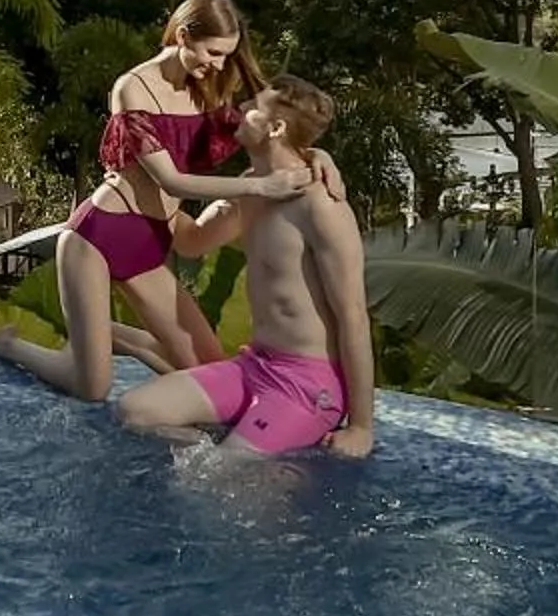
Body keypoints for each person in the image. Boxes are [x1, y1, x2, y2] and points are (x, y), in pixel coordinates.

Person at [0, 0, 313, 404]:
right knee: (92, 389)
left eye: (226, 56)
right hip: (97, 238)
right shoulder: (133, 87)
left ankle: (105, 334)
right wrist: (259, 187)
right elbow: (171, 181)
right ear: (182, 36)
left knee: (210, 369)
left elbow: (278, 126)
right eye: (212, 52)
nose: (218, 64)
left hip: (151, 238)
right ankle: (10, 346)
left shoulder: (207, 86)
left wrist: (316, 161)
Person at [121, 74, 375, 459]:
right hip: (254, 365)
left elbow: (354, 315)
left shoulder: (321, 204)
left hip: (307, 384)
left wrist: (361, 427)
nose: (240, 110)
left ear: (275, 128)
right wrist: (138, 186)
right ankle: (237, 447)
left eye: (253, 108)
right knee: (135, 413)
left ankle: (246, 452)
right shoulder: (249, 188)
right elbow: (192, 243)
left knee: (222, 475)